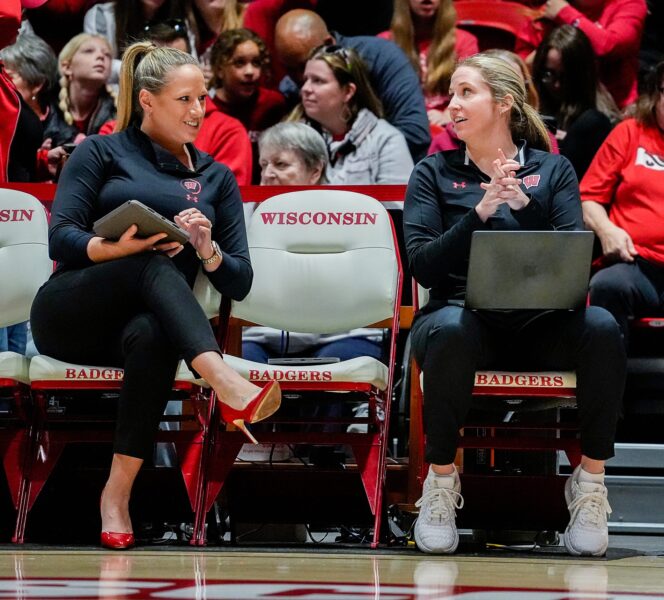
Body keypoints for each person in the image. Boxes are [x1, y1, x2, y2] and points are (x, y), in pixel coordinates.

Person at [29, 41, 281, 550]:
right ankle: (223, 380)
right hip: (70, 312)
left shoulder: (215, 177)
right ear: (147, 100)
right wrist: (115, 247)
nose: (198, 111)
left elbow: (240, 280)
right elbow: (61, 237)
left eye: (203, 99)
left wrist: (208, 251)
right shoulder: (99, 151)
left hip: (140, 329)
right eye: (185, 100)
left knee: (154, 334)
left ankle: (116, 496)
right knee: (147, 260)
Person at [404, 53, 625, 556]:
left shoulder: (553, 170)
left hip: (541, 324)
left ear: (503, 103)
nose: (452, 105)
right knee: (452, 331)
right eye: (451, 94)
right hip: (461, 318)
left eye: (466, 93)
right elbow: (423, 266)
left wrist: (524, 208)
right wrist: (480, 213)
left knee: (604, 326)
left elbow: (572, 254)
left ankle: (589, 484)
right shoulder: (432, 173)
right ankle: (441, 483)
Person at [274, 9, 431, 162]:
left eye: (304, 65)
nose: (301, 79)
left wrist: (344, 160)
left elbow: (415, 133)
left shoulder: (381, 58)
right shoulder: (290, 87)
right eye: (289, 69)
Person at [582, 60, 664, 342]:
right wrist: (607, 230)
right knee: (607, 284)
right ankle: (608, 382)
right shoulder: (630, 133)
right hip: (638, 265)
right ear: (655, 94)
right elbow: (588, 198)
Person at [291, 45, 414, 184]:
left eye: (318, 81)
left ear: (348, 91)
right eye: (305, 80)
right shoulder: (292, 139)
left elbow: (398, 204)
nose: (305, 89)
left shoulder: (386, 140)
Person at [517, 0, 647, 110]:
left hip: (612, 111)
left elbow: (609, 47)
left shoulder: (629, 4)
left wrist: (566, 14)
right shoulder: (547, 11)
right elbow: (520, 68)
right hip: (550, 106)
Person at [428, 49, 559, 155]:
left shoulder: (542, 139)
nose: (452, 105)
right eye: (453, 94)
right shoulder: (443, 145)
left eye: (515, 83)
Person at [532, 25, 616, 179]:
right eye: (549, 74)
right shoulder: (531, 99)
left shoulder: (596, 120)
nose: (557, 85)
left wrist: (567, 142)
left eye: (565, 77)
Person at [378, 0, 479, 127]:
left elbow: (469, 90)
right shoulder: (384, 42)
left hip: (448, 124)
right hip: (402, 124)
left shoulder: (465, 41)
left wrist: (448, 114)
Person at [208, 28, 287, 183]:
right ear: (219, 69)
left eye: (256, 63)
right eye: (239, 63)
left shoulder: (273, 105)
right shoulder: (207, 110)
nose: (250, 71)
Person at [41, 33, 116, 179]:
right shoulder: (44, 105)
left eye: (107, 55)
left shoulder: (120, 111)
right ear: (67, 67)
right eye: (89, 51)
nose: (101, 57)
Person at [83, 0, 194, 82]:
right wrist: (148, 72)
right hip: (114, 97)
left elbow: (192, 64)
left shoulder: (180, 18)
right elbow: (95, 65)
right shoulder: (102, 15)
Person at [1, 31, 58, 182]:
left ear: (37, 84)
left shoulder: (62, 129)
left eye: (9, 77)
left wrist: (43, 163)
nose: (5, 84)